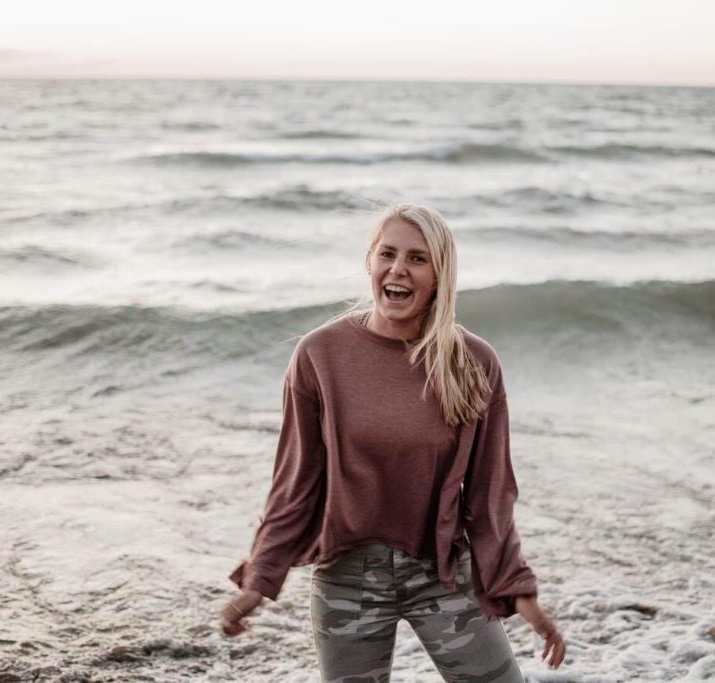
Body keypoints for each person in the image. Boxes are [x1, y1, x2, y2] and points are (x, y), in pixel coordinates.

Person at [220, 203, 565, 680]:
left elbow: (490, 496)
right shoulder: (320, 356)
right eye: (388, 254)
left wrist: (518, 591)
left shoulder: (473, 362)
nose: (398, 269)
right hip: (349, 578)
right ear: (370, 262)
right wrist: (260, 578)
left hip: (442, 576)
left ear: (440, 274)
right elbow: (296, 484)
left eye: (418, 259)